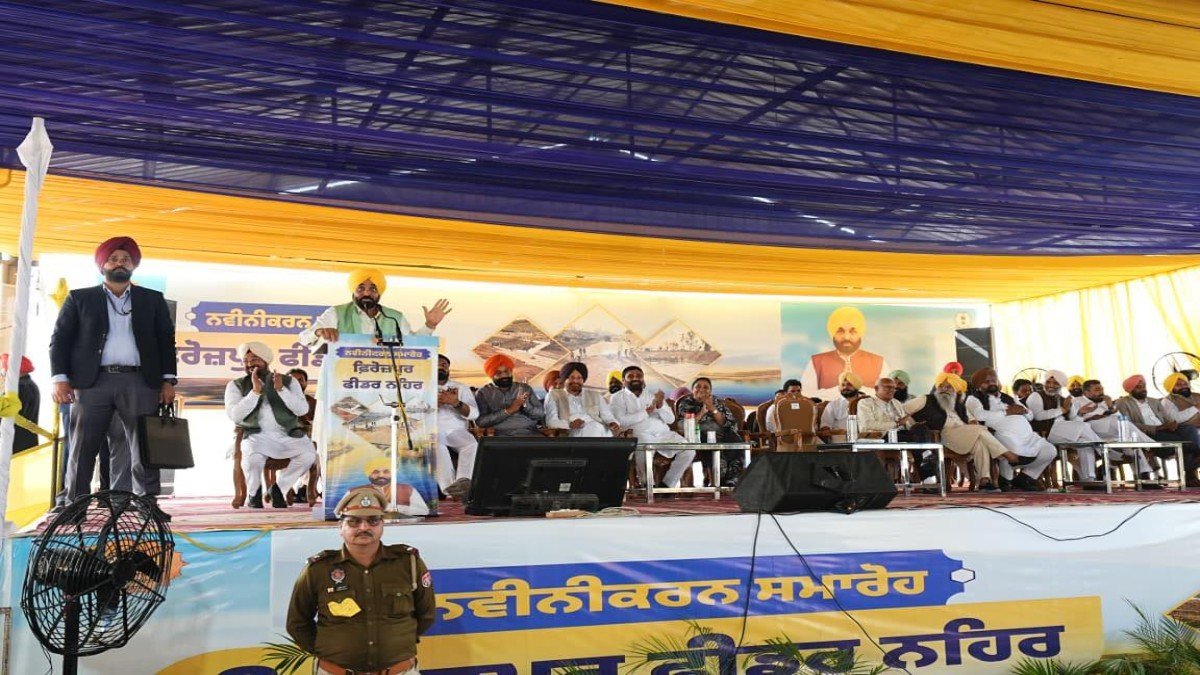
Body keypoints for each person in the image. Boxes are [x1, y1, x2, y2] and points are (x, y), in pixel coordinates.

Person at [50, 236, 176, 519]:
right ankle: (75, 506)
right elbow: (60, 340)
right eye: (114, 259)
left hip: (139, 381)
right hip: (92, 383)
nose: (120, 263)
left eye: (126, 259)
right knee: (82, 446)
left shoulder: (152, 299)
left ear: (134, 265)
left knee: (144, 445)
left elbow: (166, 341)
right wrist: (60, 379)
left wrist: (168, 380)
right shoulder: (80, 298)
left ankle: (147, 504)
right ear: (102, 265)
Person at [287, 487, 435, 675]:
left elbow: (426, 615)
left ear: (382, 525)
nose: (364, 528)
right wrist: (327, 650)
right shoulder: (318, 569)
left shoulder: (408, 563)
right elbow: (297, 623)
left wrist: (398, 643)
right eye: (354, 521)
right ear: (340, 527)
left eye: (373, 520)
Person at [226, 342, 318, 509]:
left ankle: (278, 489)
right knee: (253, 458)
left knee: (308, 455)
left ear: (265, 360)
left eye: (254, 359)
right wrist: (254, 392)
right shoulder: (235, 385)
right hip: (255, 435)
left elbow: (302, 409)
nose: (249, 364)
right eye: (246, 361)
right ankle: (254, 493)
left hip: (288, 434)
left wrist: (282, 390)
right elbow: (235, 415)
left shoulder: (289, 382)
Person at [905, 372, 1015, 491]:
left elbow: (971, 419)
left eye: (949, 387)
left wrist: (972, 422)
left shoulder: (959, 404)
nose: (944, 389)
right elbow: (902, 411)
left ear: (956, 390)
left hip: (962, 436)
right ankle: (1008, 455)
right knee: (980, 430)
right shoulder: (926, 399)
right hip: (943, 436)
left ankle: (984, 480)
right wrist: (912, 424)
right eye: (941, 386)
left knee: (980, 442)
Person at [299, 268, 451, 347]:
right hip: (343, 381)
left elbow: (413, 344)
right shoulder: (336, 313)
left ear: (379, 293)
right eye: (360, 288)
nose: (367, 293)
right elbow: (304, 338)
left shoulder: (394, 317)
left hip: (383, 380)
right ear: (353, 291)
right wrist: (319, 332)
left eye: (373, 289)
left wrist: (430, 325)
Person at [965, 368, 1056, 492]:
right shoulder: (973, 399)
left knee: (1050, 450)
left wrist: (1024, 411)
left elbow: (1030, 416)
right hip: (1000, 434)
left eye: (993, 380)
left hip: (1027, 435)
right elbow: (980, 415)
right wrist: (1006, 412)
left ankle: (1024, 478)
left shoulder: (1008, 397)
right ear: (978, 384)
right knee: (1017, 452)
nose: (991, 383)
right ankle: (1005, 479)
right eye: (986, 381)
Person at [610, 365, 694, 488]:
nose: (635, 378)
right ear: (623, 380)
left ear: (643, 379)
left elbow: (670, 419)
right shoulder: (617, 397)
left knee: (689, 450)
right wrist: (646, 412)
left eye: (639, 376)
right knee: (644, 445)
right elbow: (620, 421)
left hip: (663, 434)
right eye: (631, 376)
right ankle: (647, 484)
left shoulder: (652, 395)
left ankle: (667, 484)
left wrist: (660, 406)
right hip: (639, 434)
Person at [1116, 374, 1200, 487]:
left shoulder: (1154, 401)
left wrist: (1172, 424)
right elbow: (1128, 424)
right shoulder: (1122, 403)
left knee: (1189, 429)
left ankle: (1194, 459)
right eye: (1139, 387)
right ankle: (1191, 472)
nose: (1143, 389)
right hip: (1148, 433)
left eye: (1144, 386)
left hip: (1166, 430)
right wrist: (1157, 428)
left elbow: (1167, 419)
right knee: (1186, 442)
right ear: (1130, 389)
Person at [1067, 379, 1157, 483]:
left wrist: (1110, 406)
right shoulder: (1076, 401)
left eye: (1102, 389)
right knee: (1117, 422)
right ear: (1087, 393)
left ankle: (1144, 477)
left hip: (1109, 432)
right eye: (1097, 389)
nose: (1101, 392)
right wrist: (1084, 415)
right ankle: (1150, 444)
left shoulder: (1105, 401)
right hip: (1089, 428)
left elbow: (1120, 419)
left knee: (1130, 439)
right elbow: (1073, 422)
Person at [800, 306, 892, 399]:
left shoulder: (878, 362)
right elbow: (805, 394)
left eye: (853, 332)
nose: (846, 337)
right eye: (840, 331)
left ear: (860, 333)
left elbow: (889, 394)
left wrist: (858, 390)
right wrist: (837, 392)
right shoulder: (816, 362)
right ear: (833, 333)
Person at [676, 377, 742, 486]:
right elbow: (686, 425)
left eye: (705, 387)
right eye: (698, 387)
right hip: (699, 434)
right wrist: (702, 412)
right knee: (709, 441)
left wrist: (712, 408)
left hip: (721, 433)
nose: (701, 389)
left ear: (710, 391)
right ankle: (718, 480)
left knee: (735, 440)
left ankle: (733, 478)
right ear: (692, 390)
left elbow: (726, 423)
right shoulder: (686, 403)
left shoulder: (717, 402)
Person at [434, 354, 478, 499]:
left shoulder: (461, 388)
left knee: (471, 443)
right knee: (437, 446)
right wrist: (434, 404)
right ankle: (449, 489)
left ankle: (463, 483)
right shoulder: (422, 387)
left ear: (448, 369)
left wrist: (455, 403)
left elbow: (474, 414)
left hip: (456, 430)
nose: (441, 367)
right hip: (431, 430)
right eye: (437, 364)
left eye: (444, 365)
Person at [474, 354, 544, 436]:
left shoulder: (525, 388)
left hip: (530, 434)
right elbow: (481, 422)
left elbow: (540, 415)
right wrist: (509, 410)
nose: (504, 375)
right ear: (491, 375)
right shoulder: (483, 393)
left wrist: (525, 406)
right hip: (501, 437)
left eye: (507, 371)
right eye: (498, 373)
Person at [545, 362, 620, 437]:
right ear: (564, 379)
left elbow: (608, 416)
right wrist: (570, 424)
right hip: (571, 433)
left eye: (579, 378)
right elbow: (551, 422)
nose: (575, 381)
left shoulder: (595, 395)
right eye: (572, 377)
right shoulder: (554, 395)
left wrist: (612, 423)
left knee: (595, 427)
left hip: (598, 430)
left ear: (583, 380)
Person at [355, 457, 429, 516]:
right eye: (376, 472)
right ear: (368, 474)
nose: (381, 475)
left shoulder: (407, 489)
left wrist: (391, 507)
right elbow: (347, 512)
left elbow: (424, 511)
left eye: (386, 472)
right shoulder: (355, 491)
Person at [0, 353, 40, 453]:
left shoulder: (17, 389)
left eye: (4, 370)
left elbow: (6, 416)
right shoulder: (31, 385)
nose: (3, 375)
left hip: (13, 447)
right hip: (26, 445)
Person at [818, 372, 866, 440]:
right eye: (843, 385)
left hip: (864, 440)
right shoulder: (833, 405)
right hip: (840, 442)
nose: (845, 387)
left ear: (856, 386)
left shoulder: (867, 402)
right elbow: (825, 424)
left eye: (849, 384)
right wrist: (827, 430)